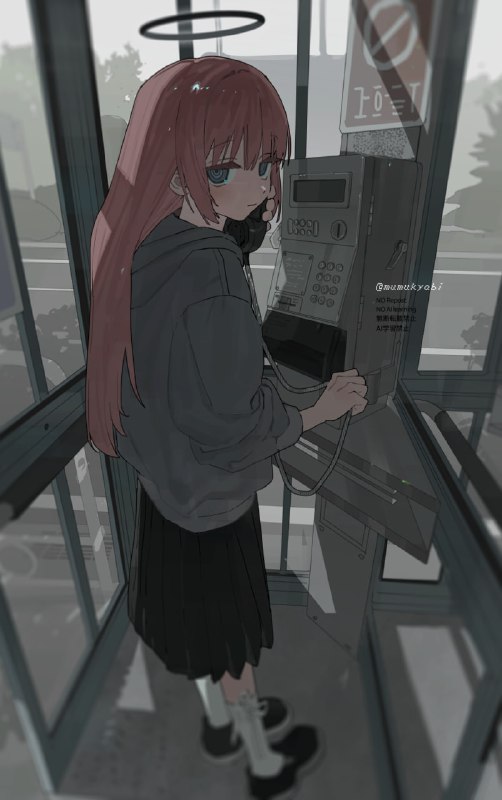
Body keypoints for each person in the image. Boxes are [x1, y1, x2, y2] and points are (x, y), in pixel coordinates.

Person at [85, 55, 367, 798]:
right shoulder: (209, 271)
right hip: (212, 503)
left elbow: (176, 384)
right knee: (234, 649)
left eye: (268, 165)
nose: (263, 187)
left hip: (167, 495)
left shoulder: (137, 249)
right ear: (183, 170)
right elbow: (235, 425)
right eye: (231, 168)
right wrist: (318, 408)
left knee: (202, 636)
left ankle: (217, 724)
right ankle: (262, 762)